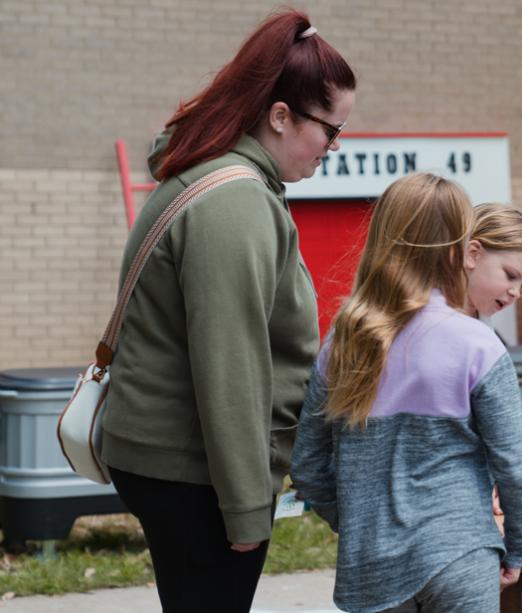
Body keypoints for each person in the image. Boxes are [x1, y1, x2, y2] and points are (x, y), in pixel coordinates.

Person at [100, 10, 355, 611]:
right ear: (280, 115)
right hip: (197, 474)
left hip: (184, 463)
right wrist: (244, 508)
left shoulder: (219, 177)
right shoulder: (235, 202)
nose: (335, 147)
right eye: (331, 130)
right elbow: (231, 362)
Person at [290, 173, 522, 613]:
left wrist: (356, 524)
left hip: (370, 566)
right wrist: (516, 547)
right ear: (458, 251)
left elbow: (308, 466)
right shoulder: (478, 345)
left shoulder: (341, 344)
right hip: (460, 556)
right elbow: (517, 469)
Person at [465, 202, 522, 321]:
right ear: (473, 254)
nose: (516, 293)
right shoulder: (435, 322)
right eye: (511, 275)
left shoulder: (481, 324)